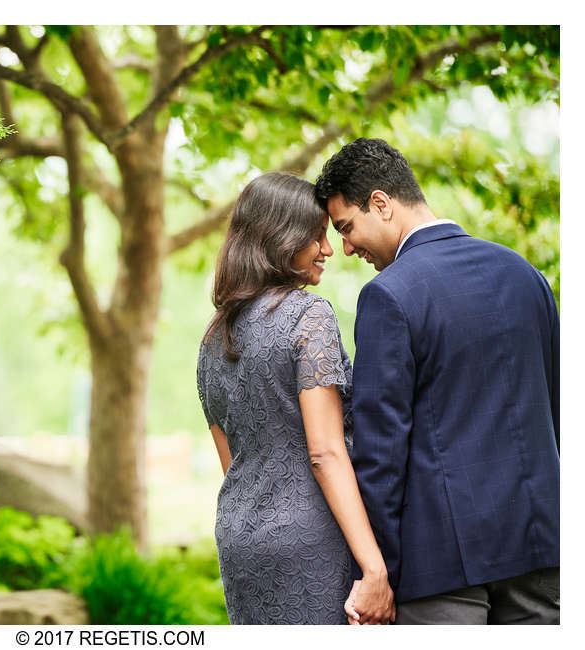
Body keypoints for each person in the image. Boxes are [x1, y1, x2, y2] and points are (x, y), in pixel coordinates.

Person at [313, 138, 560, 624]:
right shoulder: (526, 276)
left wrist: (377, 569)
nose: (346, 247)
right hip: (542, 545)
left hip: (444, 566)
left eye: (346, 227)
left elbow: (380, 454)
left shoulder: (389, 296)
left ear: (381, 204)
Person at [196, 171, 394, 625]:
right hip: (310, 540)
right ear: (282, 239)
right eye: (316, 237)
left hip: (239, 537)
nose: (327, 249)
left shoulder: (212, 338)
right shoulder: (308, 316)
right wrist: (373, 567)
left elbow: (233, 463)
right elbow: (325, 453)